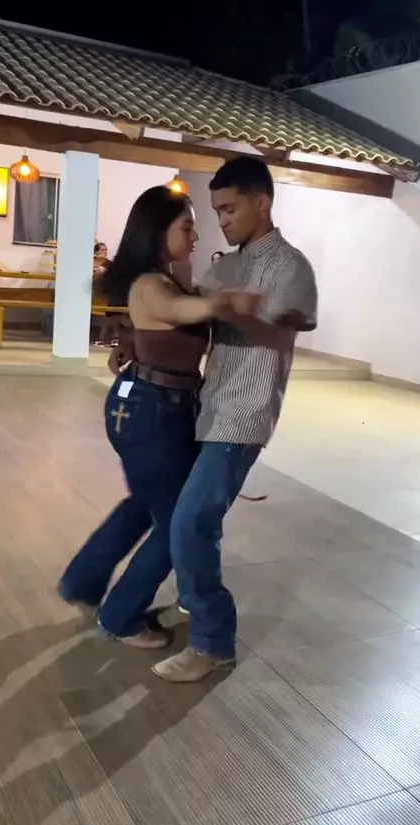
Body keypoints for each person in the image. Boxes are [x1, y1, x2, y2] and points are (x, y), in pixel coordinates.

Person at [58, 185, 258, 649]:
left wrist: (133, 339)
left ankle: (83, 581)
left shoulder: (166, 277)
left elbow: (162, 321)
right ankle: (121, 617)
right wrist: (221, 302)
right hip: (150, 411)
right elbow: (173, 311)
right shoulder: (152, 284)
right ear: (157, 231)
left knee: (146, 504)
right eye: (187, 227)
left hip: (156, 406)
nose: (195, 236)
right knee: (176, 525)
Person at [151, 155, 318, 682]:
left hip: (245, 411)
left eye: (229, 209)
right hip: (209, 403)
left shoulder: (290, 266)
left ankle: (213, 641)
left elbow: (288, 326)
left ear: (262, 202)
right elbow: (193, 315)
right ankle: (191, 598)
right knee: (191, 517)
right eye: (216, 210)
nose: (221, 219)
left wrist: (241, 312)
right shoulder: (224, 266)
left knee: (192, 520)